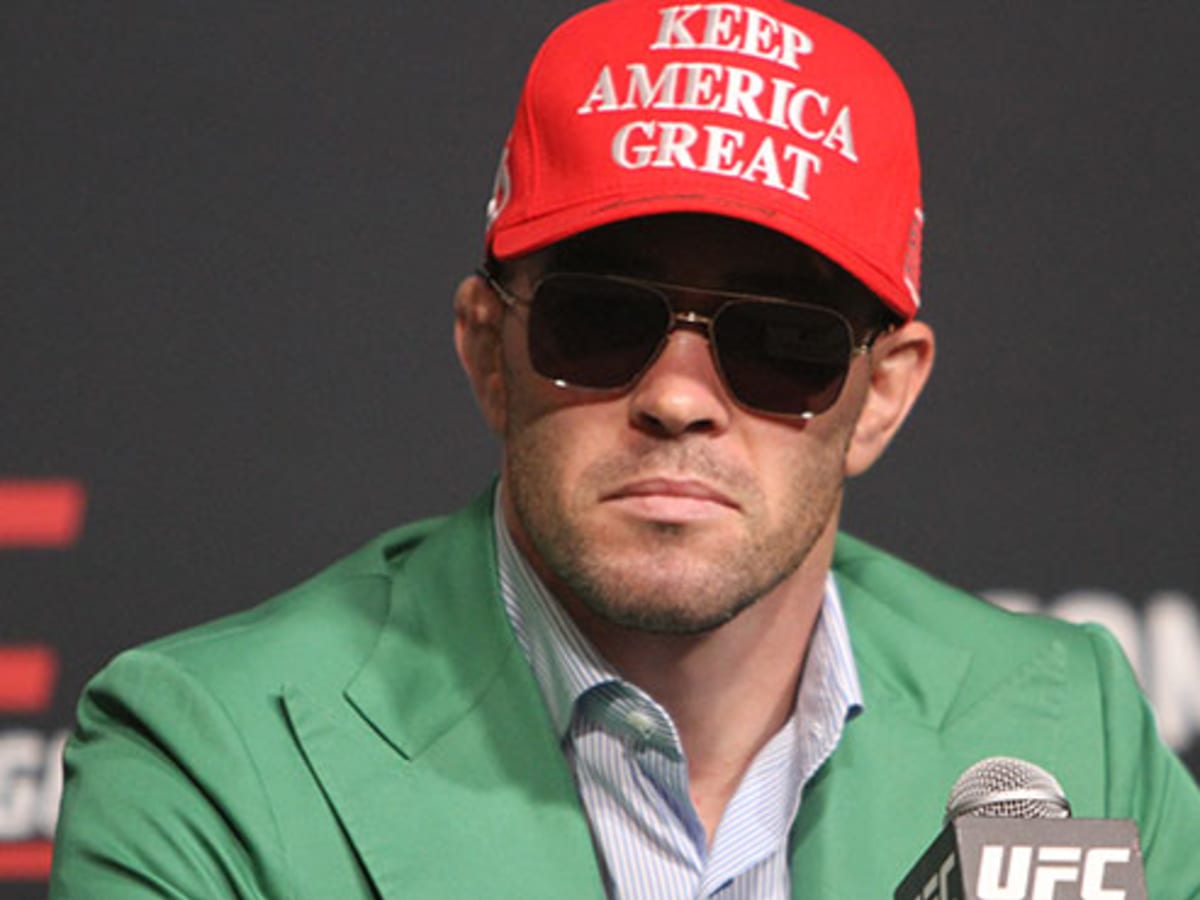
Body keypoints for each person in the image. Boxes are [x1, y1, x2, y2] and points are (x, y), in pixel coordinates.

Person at [50, 1, 1200, 897]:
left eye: (780, 345)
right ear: (488, 351)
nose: (679, 398)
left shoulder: (1067, 727)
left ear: (883, 396)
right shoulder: (213, 756)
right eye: (599, 322)